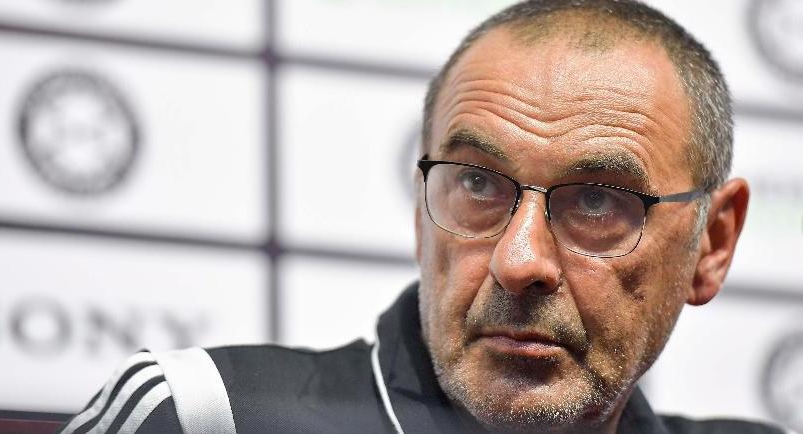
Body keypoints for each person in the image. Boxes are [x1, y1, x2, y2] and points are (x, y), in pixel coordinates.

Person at [57, 1, 789, 433]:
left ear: (712, 243)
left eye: (597, 200)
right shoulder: (207, 418)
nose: (519, 260)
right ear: (420, 210)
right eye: (477, 183)